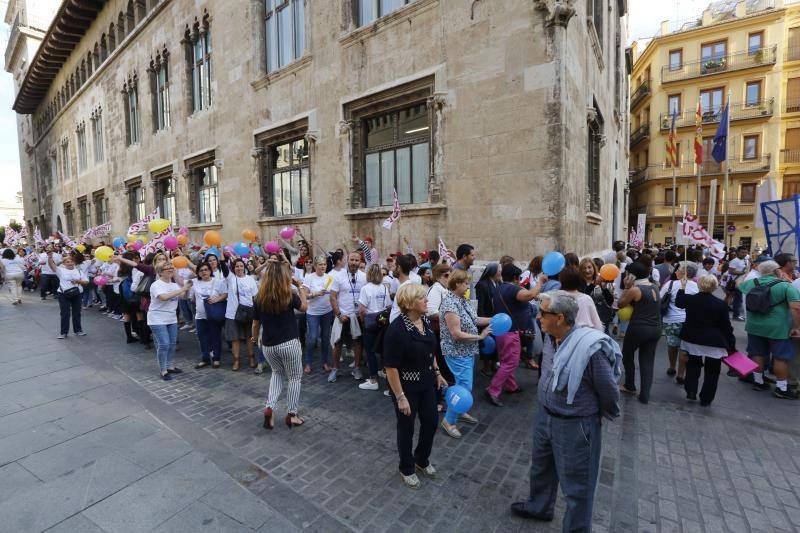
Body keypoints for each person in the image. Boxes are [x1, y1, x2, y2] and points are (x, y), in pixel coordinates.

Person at [511, 290, 620, 529]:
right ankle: (539, 507)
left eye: (542, 313)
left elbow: (609, 392)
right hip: (546, 416)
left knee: (578, 485)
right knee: (541, 468)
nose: (538, 317)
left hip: (575, 425)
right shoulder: (550, 338)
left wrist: (587, 414)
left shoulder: (589, 349)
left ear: (559, 318)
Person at [383, 283, 448, 489]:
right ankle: (407, 467)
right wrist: (400, 397)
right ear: (410, 303)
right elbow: (391, 367)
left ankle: (421, 459)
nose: (427, 300)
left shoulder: (425, 322)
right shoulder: (396, 330)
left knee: (430, 422)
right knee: (406, 427)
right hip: (406, 387)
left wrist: (437, 372)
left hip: (427, 383)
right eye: (422, 298)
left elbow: (431, 351)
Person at [252, 259, 308, 429]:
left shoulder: (259, 297)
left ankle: (270, 407)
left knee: (276, 373)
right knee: (294, 378)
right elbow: (304, 307)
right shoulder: (289, 294)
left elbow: (255, 323)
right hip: (289, 342)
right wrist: (300, 288)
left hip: (268, 345)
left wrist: (254, 338)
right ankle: (292, 414)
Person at [439, 269, 492, 439]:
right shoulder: (449, 304)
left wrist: (493, 319)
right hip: (456, 351)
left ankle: (460, 410)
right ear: (457, 284)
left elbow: (474, 319)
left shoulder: (463, 300)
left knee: (464, 384)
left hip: (467, 350)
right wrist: (480, 336)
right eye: (466, 283)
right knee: (465, 386)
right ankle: (449, 420)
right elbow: (456, 333)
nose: (468, 286)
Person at [739, 260, 800, 399]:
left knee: (757, 354)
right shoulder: (785, 286)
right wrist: (797, 327)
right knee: (780, 358)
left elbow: (739, 285)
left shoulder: (752, 283)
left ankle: (758, 382)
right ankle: (781, 388)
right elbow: (796, 308)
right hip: (777, 329)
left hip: (754, 326)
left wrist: (745, 274)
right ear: (777, 271)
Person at [674, 273, 736, 406]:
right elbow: (726, 326)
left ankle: (691, 390)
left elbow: (679, 302)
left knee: (693, 365)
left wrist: (682, 287)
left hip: (692, 338)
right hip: (714, 341)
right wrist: (731, 344)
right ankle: (706, 398)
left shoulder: (691, 299)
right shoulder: (720, 304)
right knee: (712, 371)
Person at [486, 264, 538, 406]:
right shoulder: (512, 288)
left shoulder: (499, 288)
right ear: (516, 278)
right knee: (511, 362)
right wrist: (541, 283)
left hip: (501, 331)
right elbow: (530, 295)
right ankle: (493, 389)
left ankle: (511, 386)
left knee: (505, 361)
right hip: (510, 332)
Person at [618, 261, 662, 404]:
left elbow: (621, 303)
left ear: (631, 275)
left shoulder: (635, 289)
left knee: (628, 355)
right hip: (656, 328)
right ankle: (645, 395)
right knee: (647, 360)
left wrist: (626, 287)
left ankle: (629, 385)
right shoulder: (654, 286)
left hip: (639, 328)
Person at [329, 251, 367, 382]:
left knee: (357, 342)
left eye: (357, 260)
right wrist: (338, 314)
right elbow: (332, 297)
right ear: (347, 260)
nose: (354, 263)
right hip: (342, 315)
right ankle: (335, 369)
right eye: (352, 260)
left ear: (360, 261)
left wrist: (362, 314)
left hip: (357, 316)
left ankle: (356, 368)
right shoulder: (338, 276)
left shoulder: (364, 276)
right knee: (337, 342)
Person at [149, 262, 191, 381]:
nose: (170, 270)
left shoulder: (174, 285)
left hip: (171, 319)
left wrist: (187, 288)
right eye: (166, 268)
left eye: (171, 268)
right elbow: (163, 297)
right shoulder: (156, 285)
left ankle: (170, 366)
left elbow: (183, 296)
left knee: (172, 344)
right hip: (157, 319)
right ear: (160, 272)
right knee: (164, 344)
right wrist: (182, 289)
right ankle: (163, 370)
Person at [358, 263, 392, 391]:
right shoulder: (383, 288)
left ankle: (373, 379)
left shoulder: (365, 288)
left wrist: (363, 321)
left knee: (370, 351)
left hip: (370, 321)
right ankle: (383, 371)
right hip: (382, 321)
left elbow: (361, 309)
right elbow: (388, 306)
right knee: (382, 349)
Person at [301, 255, 334, 374]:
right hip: (313, 312)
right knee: (312, 338)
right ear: (315, 266)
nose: (323, 266)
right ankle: (308, 363)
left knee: (325, 338)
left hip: (327, 311)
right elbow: (304, 295)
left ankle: (325, 362)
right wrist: (315, 294)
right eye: (320, 264)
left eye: (324, 264)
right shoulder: (309, 277)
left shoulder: (329, 277)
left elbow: (334, 294)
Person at [192, 261, 227, 368]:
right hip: (200, 316)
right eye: (201, 270)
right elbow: (192, 298)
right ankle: (205, 358)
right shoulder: (195, 282)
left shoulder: (218, 282)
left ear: (210, 270)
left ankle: (216, 358)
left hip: (213, 315)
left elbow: (225, 294)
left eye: (206, 269)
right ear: (198, 273)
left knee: (215, 336)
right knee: (202, 338)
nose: (204, 272)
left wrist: (217, 299)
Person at [224, 258, 258, 371]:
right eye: (237, 266)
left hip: (248, 312)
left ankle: (251, 358)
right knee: (235, 338)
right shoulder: (231, 278)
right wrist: (220, 250)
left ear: (245, 267)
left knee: (249, 337)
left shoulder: (250, 279)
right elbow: (222, 265)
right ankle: (236, 360)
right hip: (233, 313)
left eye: (241, 266)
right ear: (233, 268)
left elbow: (255, 296)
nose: (239, 268)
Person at [48, 251, 89, 338]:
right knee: (65, 313)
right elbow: (52, 265)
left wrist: (78, 281)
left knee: (77, 313)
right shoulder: (60, 271)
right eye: (67, 262)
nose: (70, 263)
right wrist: (50, 257)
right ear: (64, 263)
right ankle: (63, 332)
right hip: (63, 295)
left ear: (74, 262)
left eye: (71, 261)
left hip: (77, 294)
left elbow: (86, 282)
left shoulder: (79, 271)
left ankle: (78, 330)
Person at [559, 266, 603, 331]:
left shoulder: (558, 300)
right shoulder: (586, 298)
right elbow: (597, 324)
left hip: (568, 336)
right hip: (587, 335)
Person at [578, 258, 613, 333]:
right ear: (581, 270)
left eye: (589, 267)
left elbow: (610, 301)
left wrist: (604, 288)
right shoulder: (579, 283)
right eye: (584, 268)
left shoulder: (601, 280)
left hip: (602, 319)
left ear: (594, 268)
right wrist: (593, 285)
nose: (587, 270)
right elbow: (584, 298)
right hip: (586, 320)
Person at [728, 247, 749, 321]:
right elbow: (731, 271)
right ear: (738, 252)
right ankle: (736, 315)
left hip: (742, 281)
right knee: (738, 299)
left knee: (738, 299)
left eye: (746, 252)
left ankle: (736, 314)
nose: (744, 254)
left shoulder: (745, 260)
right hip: (736, 282)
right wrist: (743, 273)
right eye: (742, 252)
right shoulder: (734, 261)